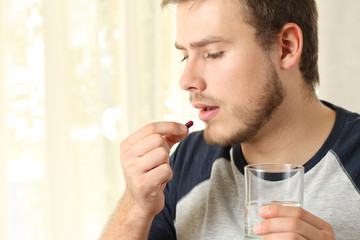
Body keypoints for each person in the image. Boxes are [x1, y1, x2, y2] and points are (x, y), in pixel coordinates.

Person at [100, 0, 360, 239]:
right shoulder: (185, 161)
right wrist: (134, 208)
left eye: (212, 53)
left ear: (286, 48)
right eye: (185, 56)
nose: (186, 81)